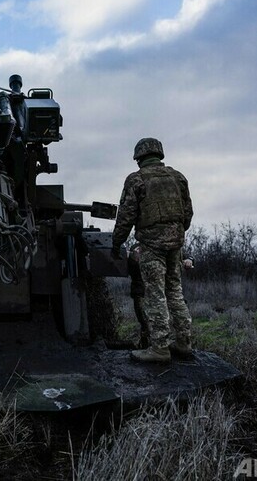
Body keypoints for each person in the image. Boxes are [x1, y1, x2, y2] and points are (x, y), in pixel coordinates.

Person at [111, 138, 194, 363]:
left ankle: (159, 348)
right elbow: (188, 213)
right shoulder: (178, 177)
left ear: (139, 158)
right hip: (175, 244)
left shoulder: (136, 179)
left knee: (155, 294)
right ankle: (184, 343)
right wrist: (175, 233)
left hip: (151, 246)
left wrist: (116, 243)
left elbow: (126, 216)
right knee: (175, 291)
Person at [127, 243, 194, 349]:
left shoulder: (167, 245)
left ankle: (167, 347)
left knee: (166, 321)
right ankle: (148, 347)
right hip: (142, 293)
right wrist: (133, 258)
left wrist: (189, 260)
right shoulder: (136, 247)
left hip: (164, 294)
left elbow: (185, 257)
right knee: (147, 324)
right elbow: (130, 270)